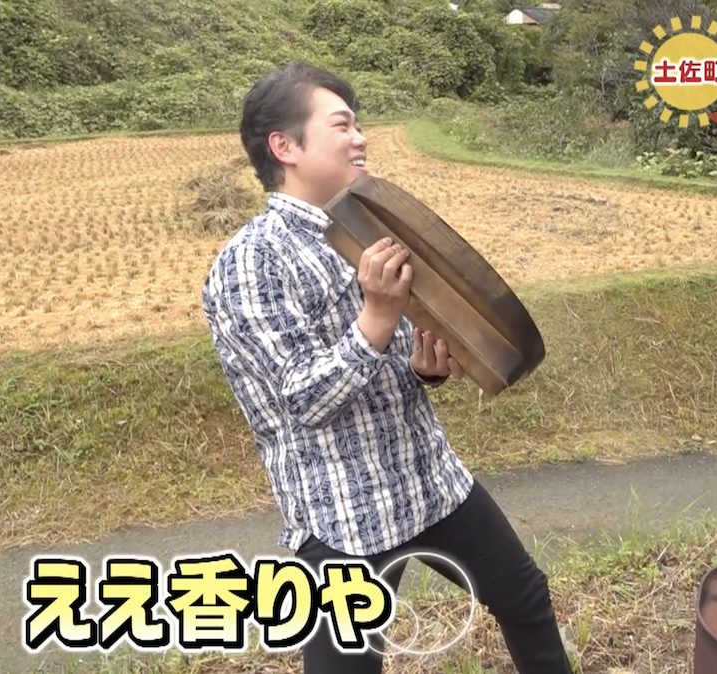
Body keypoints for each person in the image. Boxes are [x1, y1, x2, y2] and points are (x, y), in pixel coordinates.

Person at [201, 62, 573, 673]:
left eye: (359, 125)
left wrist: (425, 369)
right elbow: (301, 400)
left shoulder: (368, 228)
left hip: (427, 477)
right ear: (285, 147)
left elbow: (394, 356)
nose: (360, 138)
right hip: (343, 511)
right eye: (342, 125)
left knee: (525, 597)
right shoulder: (252, 261)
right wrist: (376, 315)